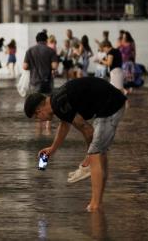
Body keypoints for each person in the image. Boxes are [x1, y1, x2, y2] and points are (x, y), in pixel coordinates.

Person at [24, 77, 127, 212]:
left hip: (111, 106)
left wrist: (88, 158)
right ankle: (97, 202)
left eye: (37, 118)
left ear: (39, 111)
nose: (40, 121)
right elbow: (65, 124)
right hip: (110, 104)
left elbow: (88, 130)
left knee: (96, 154)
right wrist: (53, 149)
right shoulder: (56, 100)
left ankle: (95, 205)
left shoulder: (58, 104)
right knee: (98, 154)